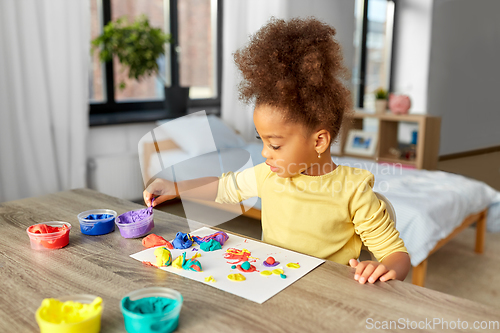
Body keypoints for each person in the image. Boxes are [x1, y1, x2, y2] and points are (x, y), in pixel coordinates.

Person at [144, 17, 410, 284]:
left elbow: (395, 254)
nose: (264, 153)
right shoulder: (268, 175)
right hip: (271, 283)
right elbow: (223, 188)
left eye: (275, 145)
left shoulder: (353, 190)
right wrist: (176, 187)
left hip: (326, 296)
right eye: (261, 141)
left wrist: (386, 269)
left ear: (319, 142)